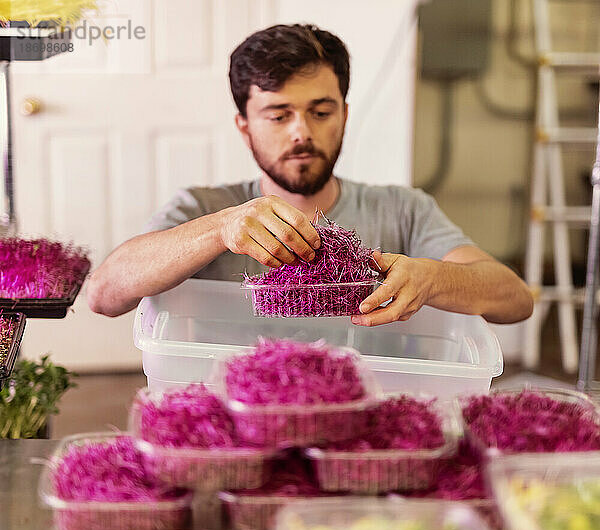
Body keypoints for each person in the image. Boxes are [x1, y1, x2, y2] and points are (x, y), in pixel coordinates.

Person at [88, 23, 533, 326]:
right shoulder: (202, 208)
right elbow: (104, 294)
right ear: (244, 127)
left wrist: (433, 278)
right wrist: (221, 229)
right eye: (278, 116)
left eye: (321, 111)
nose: (302, 132)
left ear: (344, 115)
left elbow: (514, 299)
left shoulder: (403, 209)